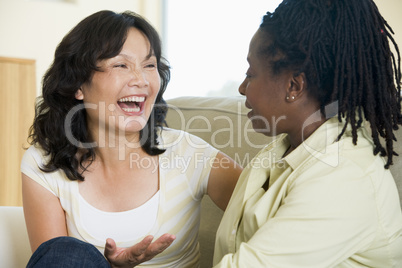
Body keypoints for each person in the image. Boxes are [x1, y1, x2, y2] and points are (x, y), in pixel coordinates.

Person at [21, 10, 242, 268]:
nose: (141, 80)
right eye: (121, 65)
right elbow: (53, 261)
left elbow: (269, 212)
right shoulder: (42, 164)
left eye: (149, 65)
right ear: (78, 85)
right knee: (65, 252)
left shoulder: (189, 153)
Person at [213, 0, 402, 267]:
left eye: (251, 73)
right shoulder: (286, 149)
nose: (243, 88)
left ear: (294, 85)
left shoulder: (345, 175)